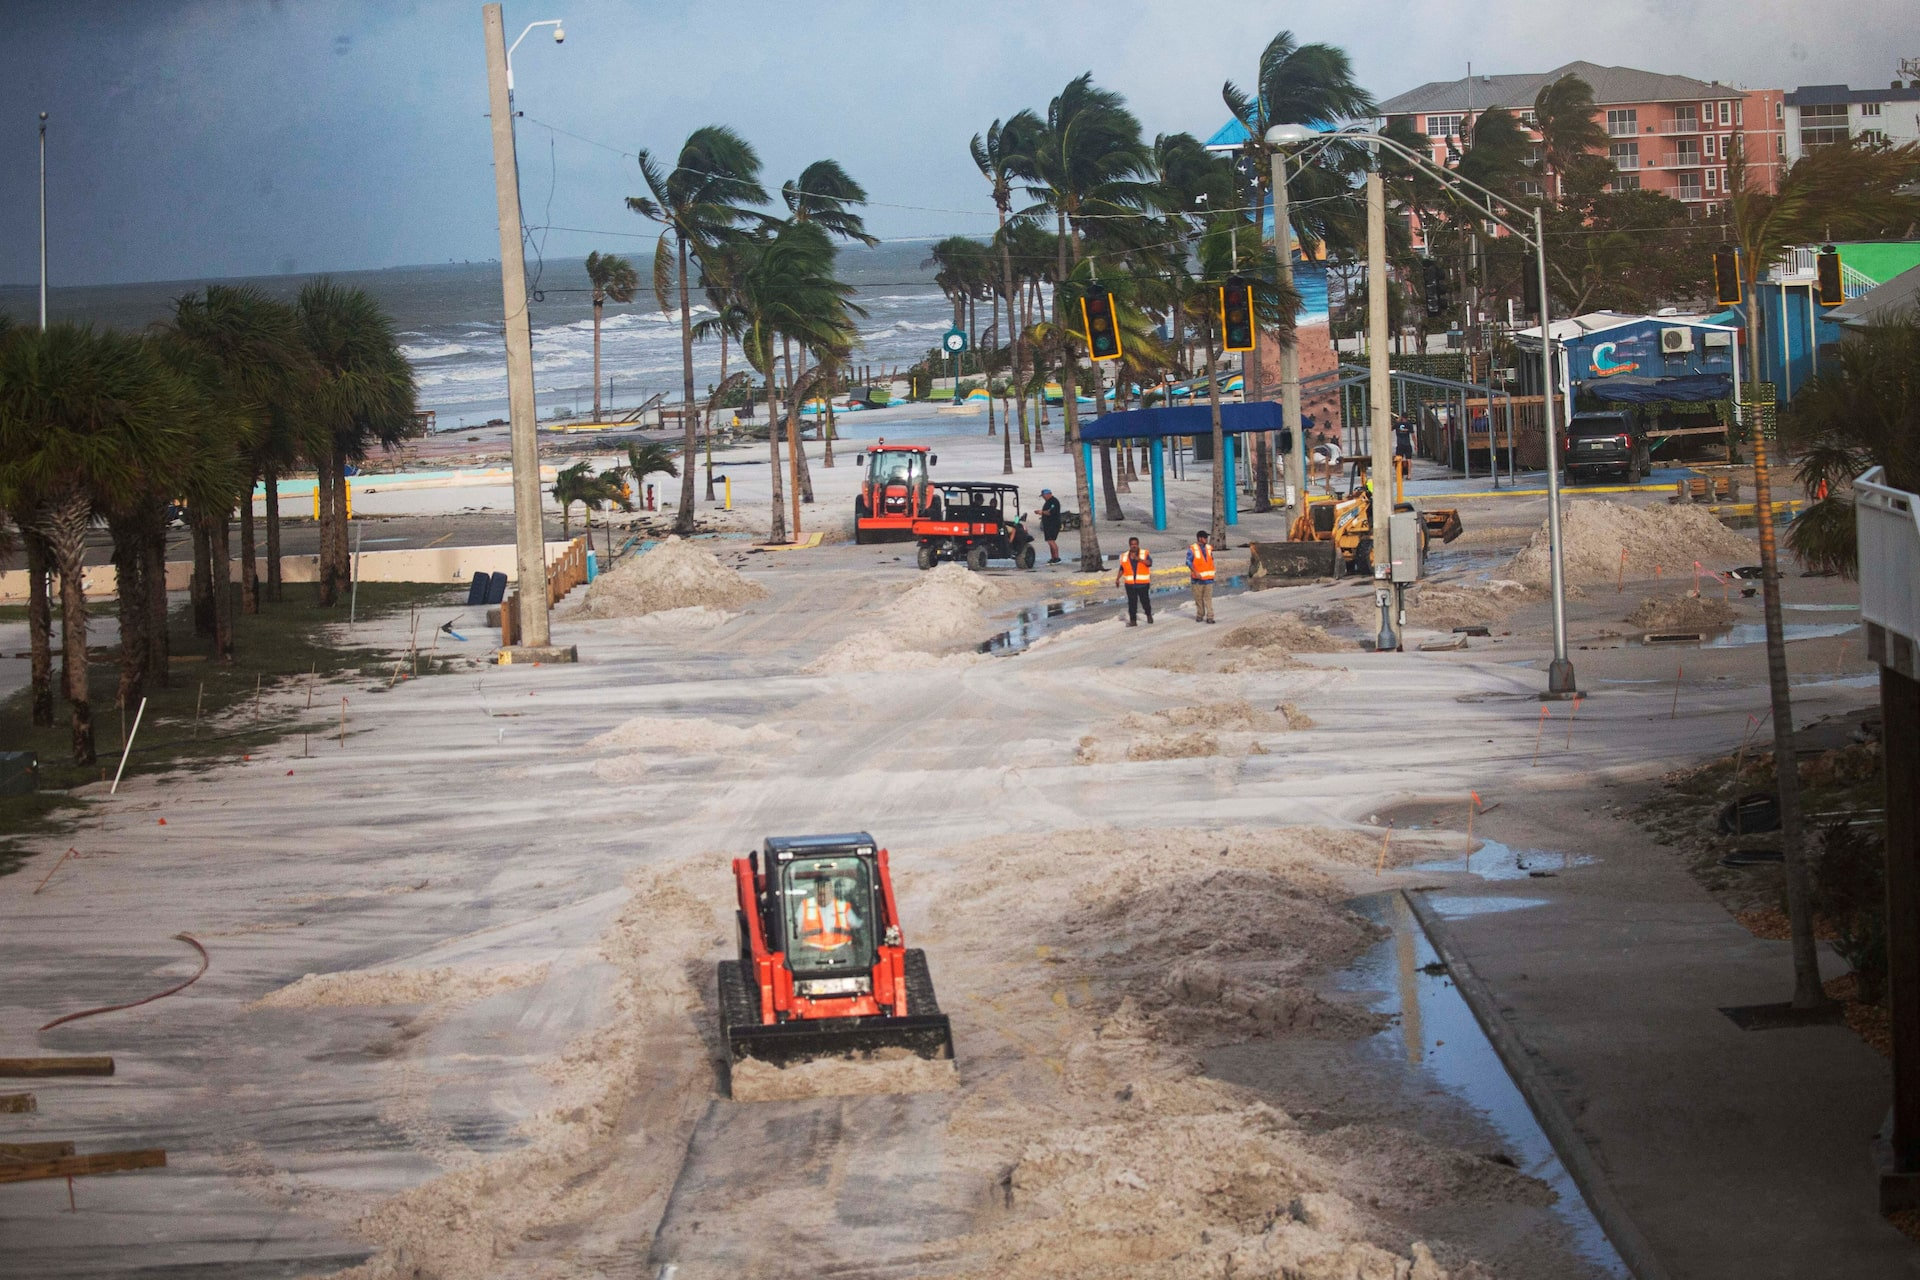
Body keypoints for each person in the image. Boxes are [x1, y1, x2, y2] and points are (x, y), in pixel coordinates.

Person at [796, 877, 860, 952]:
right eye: (820, 894)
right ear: (815, 892)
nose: (823, 897)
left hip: (842, 951)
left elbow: (858, 925)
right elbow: (796, 930)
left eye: (826, 893)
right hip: (813, 953)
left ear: (831, 891)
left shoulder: (843, 906)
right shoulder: (805, 905)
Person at [1116, 536, 1154, 626]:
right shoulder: (1124, 556)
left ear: (1138, 544)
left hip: (1143, 583)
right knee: (1132, 603)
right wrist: (1117, 578)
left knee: (1145, 601)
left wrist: (1139, 560)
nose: (1134, 546)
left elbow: (1150, 563)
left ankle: (1148, 615)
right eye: (1132, 544)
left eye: (1135, 544)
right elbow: (1122, 568)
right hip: (1130, 584)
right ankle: (1133, 620)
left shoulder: (1144, 553)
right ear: (1129, 545)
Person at [1186, 530, 1216, 624]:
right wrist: (1195, 572)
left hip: (1209, 579)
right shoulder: (1192, 549)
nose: (1207, 539)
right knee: (1198, 598)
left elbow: (1211, 560)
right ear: (1200, 538)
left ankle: (1210, 616)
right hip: (1197, 579)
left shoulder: (1208, 548)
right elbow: (1188, 562)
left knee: (1208, 599)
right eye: (1205, 537)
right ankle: (1200, 614)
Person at [1039, 488, 1063, 563]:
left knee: (1051, 541)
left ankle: (1057, 557)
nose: (1043, 497)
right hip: (1048, 525)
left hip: (1053, 524)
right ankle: (1053, 557)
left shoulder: (1054, 502)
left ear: (1048, 494)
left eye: (1044, 495)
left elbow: (1050, 512)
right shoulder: (1048, 502)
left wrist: (1041, 512)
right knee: (1049, 541)